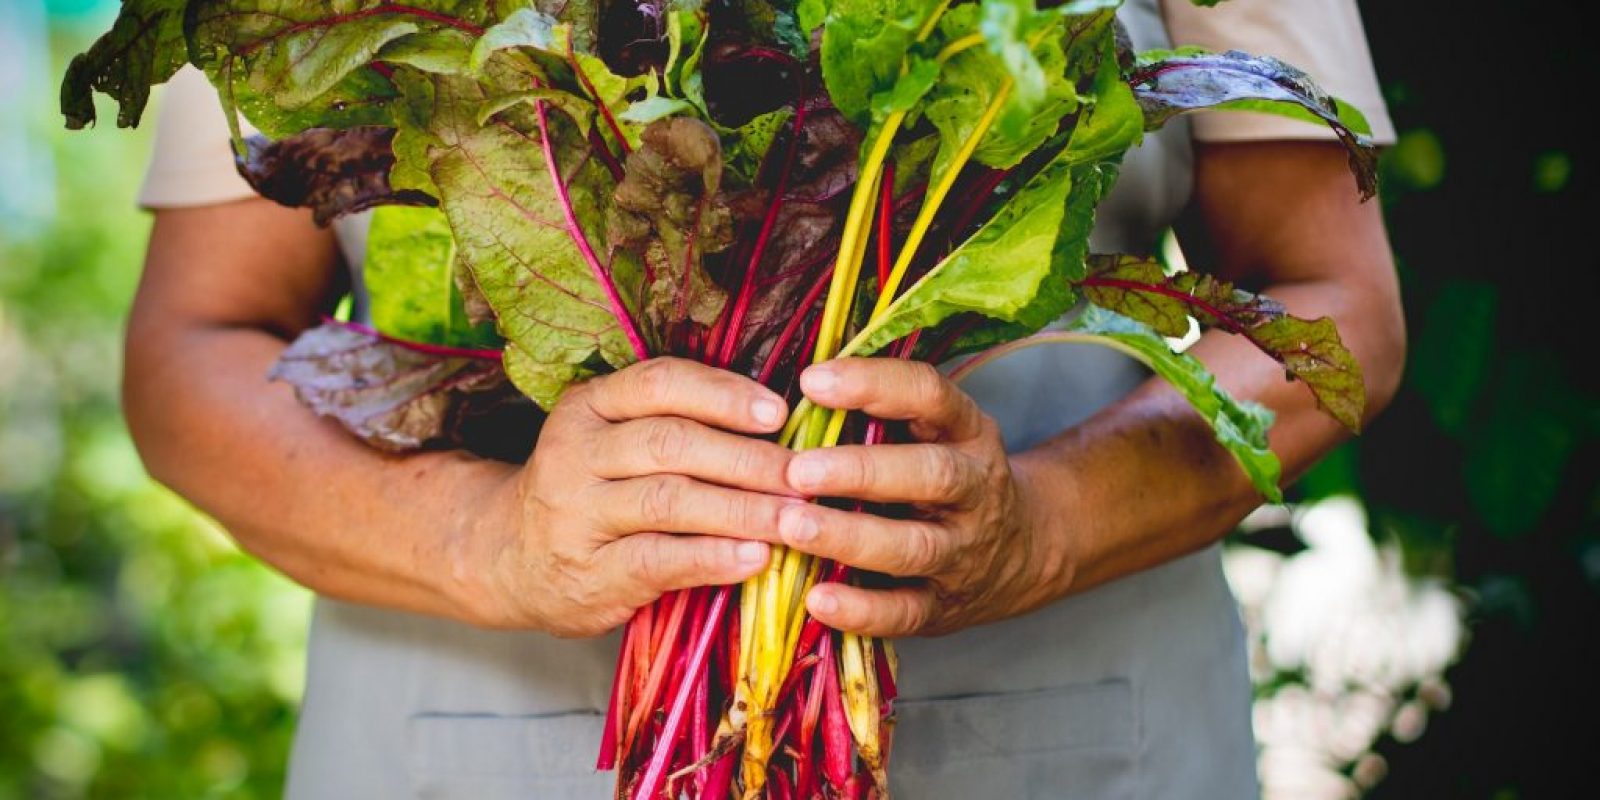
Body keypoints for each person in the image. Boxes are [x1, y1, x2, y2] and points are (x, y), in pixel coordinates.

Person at [125, 0, 1403, 796]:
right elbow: (194, 349)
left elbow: (1333, 304)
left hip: (1071, 727)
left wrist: (1047, 523)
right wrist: (487, 541)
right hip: (463, 735)